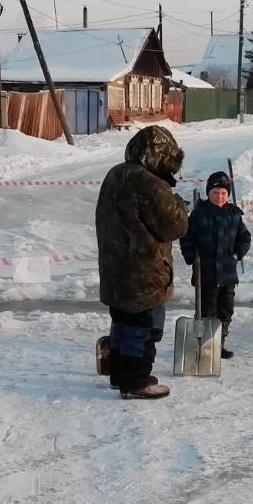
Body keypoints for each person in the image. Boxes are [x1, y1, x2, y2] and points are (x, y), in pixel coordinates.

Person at [95, 125, 189, 399]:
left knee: (123, 323)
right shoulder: (148, 183)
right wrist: (180, 206)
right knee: (143, 328)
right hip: (144, 272)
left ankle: (120, 374)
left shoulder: (115, 175)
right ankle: (136, 381)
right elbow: (173, 226)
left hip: (115, 269)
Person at [179, 170, 252, 359]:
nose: (219, 197)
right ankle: (205, 346)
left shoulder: (234, 215)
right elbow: (187, 238)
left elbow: (244, 236)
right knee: (207, 312)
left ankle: (219, 344)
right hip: (206, 275)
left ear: (227, 195)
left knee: (225, 311)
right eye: (215, 193)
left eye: (223, 193)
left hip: (227, 274)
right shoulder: (199, 214)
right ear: (208, 193)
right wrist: (191, 256)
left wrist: (238, 252)